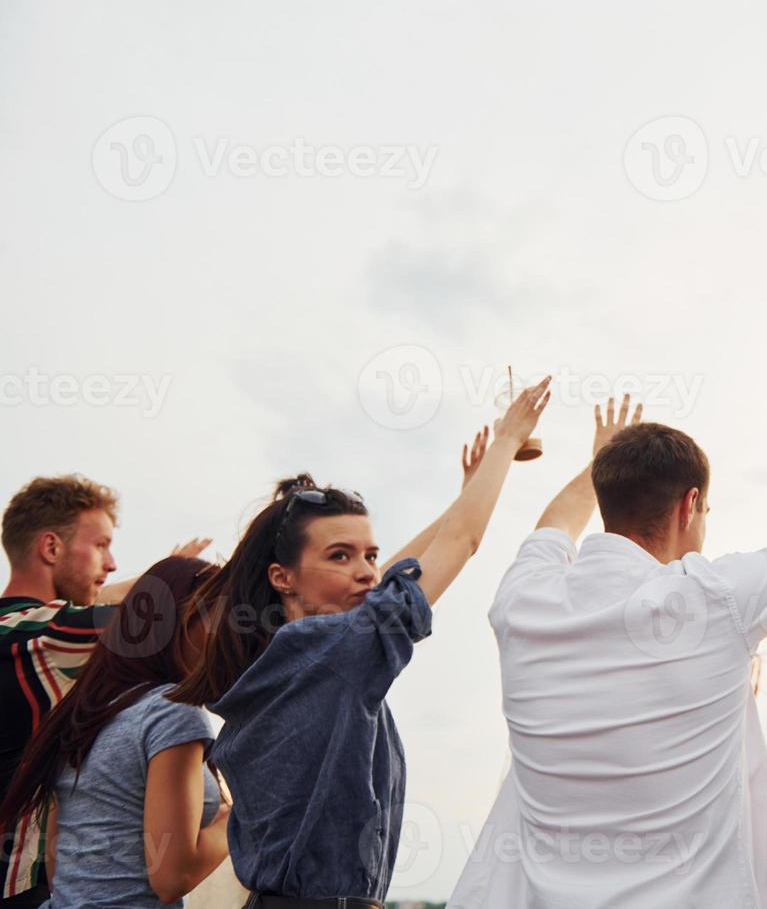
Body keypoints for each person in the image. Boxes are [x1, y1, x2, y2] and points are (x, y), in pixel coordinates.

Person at [448, 395, 767, 909]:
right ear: (689, 505)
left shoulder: (522, 600)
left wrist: (601, 463)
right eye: (706, 510)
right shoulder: (715, 601)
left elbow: (554, 525)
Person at [168, 377, 550, 909]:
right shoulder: (328, 652)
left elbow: (393, 577)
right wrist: (508, 440)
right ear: (282, 577)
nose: (367, 572)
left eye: (369, 555)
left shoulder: (285, 656)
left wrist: (468, 492)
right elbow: (461, 545)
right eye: (340, 556)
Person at [0, 475, 210, 909]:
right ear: (51, 547)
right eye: (100, 545)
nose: (111, 563)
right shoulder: (42, 637)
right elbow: (145, 620)